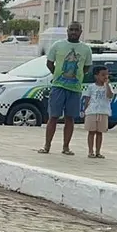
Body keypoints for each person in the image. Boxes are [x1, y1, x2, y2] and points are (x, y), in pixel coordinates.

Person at [39, 22, 92, 155]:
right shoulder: (58, 45)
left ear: (81, 32)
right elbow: (49, 63)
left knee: (70, 118)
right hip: (58, 87)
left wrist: (78, 76)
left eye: (76, 30)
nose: (73, 32)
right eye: (71, 30)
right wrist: (56, 75)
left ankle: (66, 147)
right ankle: (47, 146)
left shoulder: (86, 49)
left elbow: (86, 67)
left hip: (75, 88)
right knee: (54, 117)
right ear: (67, 31)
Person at [82, 66, 112, 158]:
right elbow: (87, 99)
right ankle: (90, 151)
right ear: (96, 76)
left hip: (103, 111)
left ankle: (98, 151)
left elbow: (110, 96)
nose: (105, 77)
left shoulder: (108, 86)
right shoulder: (91, 87)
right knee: (91, 132)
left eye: (107, 75)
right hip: (92, 111)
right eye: (103, 75)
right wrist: (85, 110)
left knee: (100, 132)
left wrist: (107, 85)